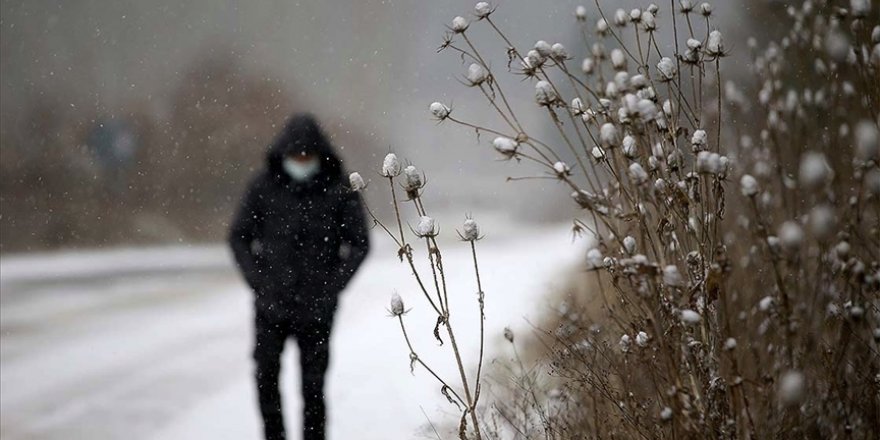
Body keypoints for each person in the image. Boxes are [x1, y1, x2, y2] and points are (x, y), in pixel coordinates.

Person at [228, 113, 370, 440]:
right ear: (284, 154)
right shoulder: (262, 187)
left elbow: (360, 242)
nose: (302, 161)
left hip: (317, 310)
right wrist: (259, 283)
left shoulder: (339, 189)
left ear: (320, 155)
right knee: (266, 378)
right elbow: (239, 237)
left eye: (308, 156)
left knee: (314, 387)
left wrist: (333, 287)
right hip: (270, 306)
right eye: (296, 156)